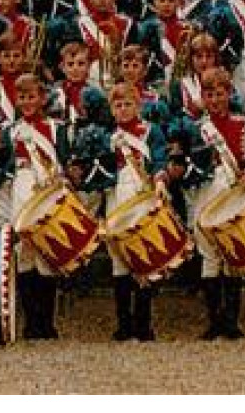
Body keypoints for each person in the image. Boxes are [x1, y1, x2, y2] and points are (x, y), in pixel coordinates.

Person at [181, 66, 245, 341]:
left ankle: (232, 321)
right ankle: (214, 320)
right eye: (209, 95)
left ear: (229, 93)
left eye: (219, 94)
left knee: (234, 254)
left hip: (235, 191)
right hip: (207, 193)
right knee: (209, 256)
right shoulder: (196, 129)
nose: (215, 100)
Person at [0, 73, 71, 339]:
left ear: (42, 98)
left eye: (31, 96)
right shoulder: (11, 131)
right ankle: (31, 320)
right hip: (22, 190)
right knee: (24, 251)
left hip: (49, 188)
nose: (27, 102)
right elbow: (6, 167)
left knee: (47, 251)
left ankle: (47, 322)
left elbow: (64, 159)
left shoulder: (56, 128)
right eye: (22, 97)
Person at [97, 80, 170, 341]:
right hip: (116, 195)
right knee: (119, 254)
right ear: (111, 109)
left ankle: (143, 322)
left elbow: (159, 158)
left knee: (144, 252)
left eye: (128, 104)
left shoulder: (151, 132)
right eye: (118, 105)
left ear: (138, 105)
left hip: (142, 193)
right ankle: (123, 323)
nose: (123, 109)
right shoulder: (106, 136)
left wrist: (160, 180)